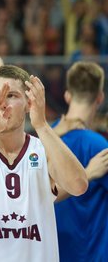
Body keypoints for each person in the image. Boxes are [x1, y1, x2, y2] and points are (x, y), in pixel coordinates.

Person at [0, 65, 88, 261]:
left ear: (29, 103)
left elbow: (78, 185)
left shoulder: (42, 151)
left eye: (11, 95)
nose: (1, 103)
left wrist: (42, 125)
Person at [52, 61, 108, 262]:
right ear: (99, 98)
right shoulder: (100, 147)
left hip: (52, 252)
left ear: (67, 95)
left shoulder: (44, 139)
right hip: (91, 254)